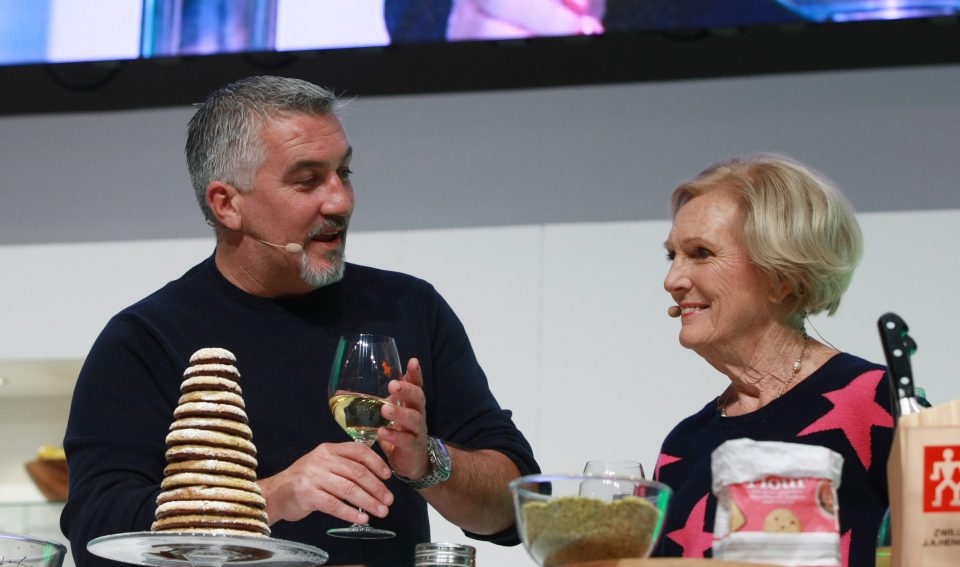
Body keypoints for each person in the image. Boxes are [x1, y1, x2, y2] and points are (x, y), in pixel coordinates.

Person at [60, 75, 539, 567]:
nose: (340, 202)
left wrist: (429, 463)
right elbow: (99, 533)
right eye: (307, 180)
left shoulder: (409, 306)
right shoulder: (146, 338)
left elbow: (516, 507)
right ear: (227, 204)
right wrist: (270, 497)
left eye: (344, 173)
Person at [654, 153, 894, 566]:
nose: (672, 280)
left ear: (783, 275)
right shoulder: (682, 445)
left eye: (701, 253)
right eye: (671, 255)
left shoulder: (875, 403)